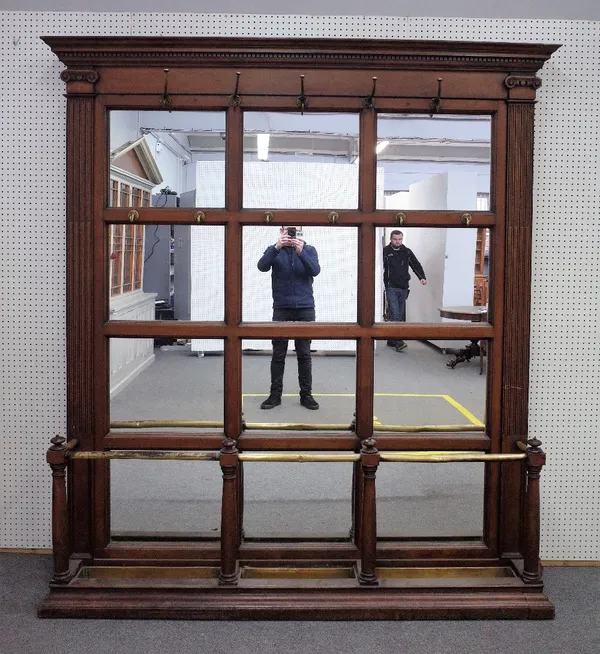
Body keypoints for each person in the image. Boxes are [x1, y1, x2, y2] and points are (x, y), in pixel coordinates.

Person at [257, 226, 321, 410]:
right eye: (288, 230)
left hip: (305, 308)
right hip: (282, 308)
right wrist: (276, 247)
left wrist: (301, 252)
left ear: (301, 231)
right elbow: (262, 266)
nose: (291, 233)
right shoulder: (274, 250)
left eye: (295, 230)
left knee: (304, 354)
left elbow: (315, 270)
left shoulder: (309, 250)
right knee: (278, 355)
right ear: (281, 230)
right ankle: (274, 396)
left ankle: (306, 395)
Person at [383, 230, 427, 352]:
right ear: (390, 239)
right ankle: (398, 342)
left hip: (403, 287)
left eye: (399, 239)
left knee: (400, 315)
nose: (397, 242)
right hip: (390, 286)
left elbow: (415, 264)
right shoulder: (385, 251)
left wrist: (422, 277)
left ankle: (391, 339)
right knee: (395, 313)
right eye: (395, 239)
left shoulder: (406, 252)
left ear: (402, 239)